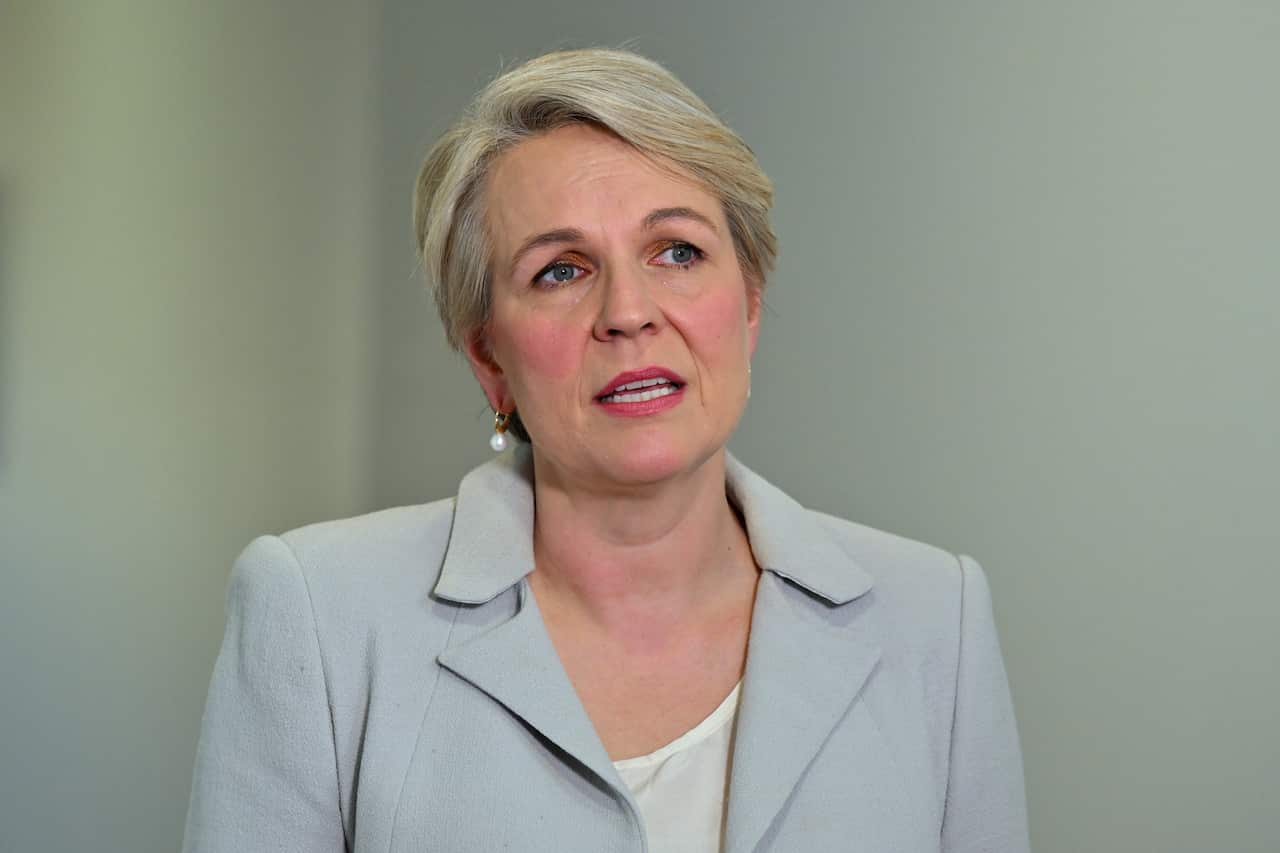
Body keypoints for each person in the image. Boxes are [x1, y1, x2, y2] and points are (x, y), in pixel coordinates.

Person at [181, 47, 1030, 853]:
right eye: (561, 270)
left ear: (750, 306)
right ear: (489, 359)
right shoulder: (319, 618)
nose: (629, 309)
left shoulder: (935, 618)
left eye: (677, 251)